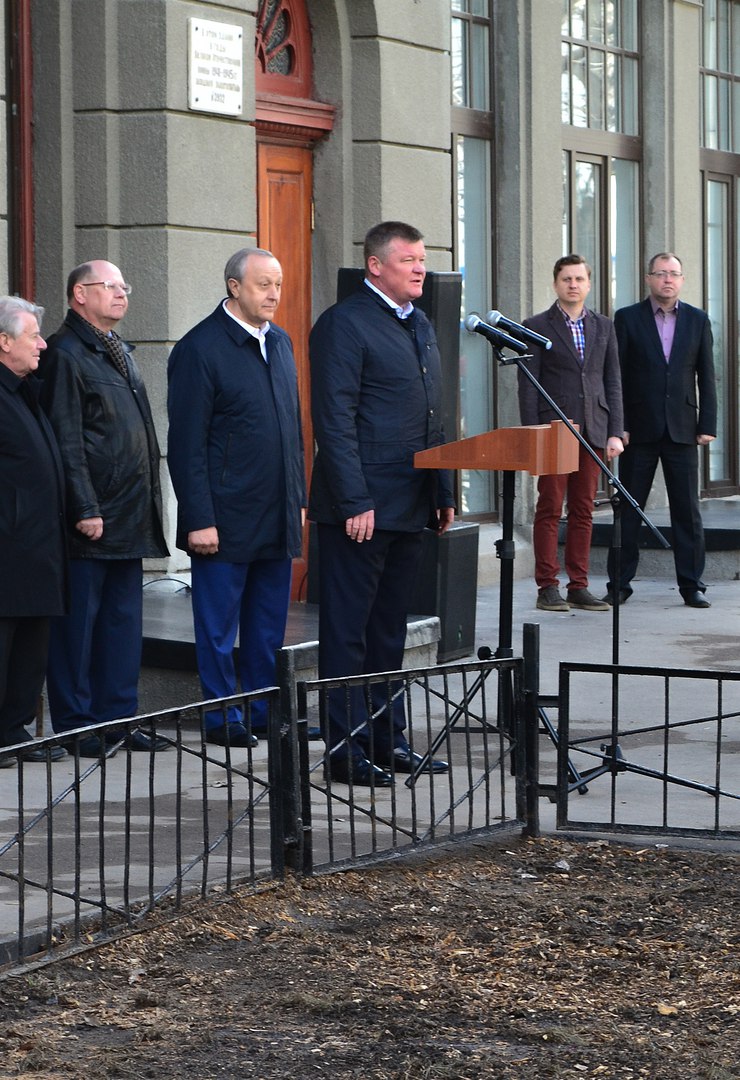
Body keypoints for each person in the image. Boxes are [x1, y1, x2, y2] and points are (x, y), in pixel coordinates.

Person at [309, 221, 455, 787]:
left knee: (389, 630)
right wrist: (353, 498)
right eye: (409, 260)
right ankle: (345, 750)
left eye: (423, 259)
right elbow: (335, 421)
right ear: (375, 265)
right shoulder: (344, 325)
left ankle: (386, 738)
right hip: (361, 508)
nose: (421, 268)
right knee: (350, 630)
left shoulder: (417, 322)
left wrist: (442, 491)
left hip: (412, 502)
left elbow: (435, 416)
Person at [167, 248, 305, 748]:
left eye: (278, 284)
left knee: (268, 625)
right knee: (219, 628)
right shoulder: (200, 349)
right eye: (263, 284)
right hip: (223, 518)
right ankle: (222, 717)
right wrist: (198, 518)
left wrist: (299, 498)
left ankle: (264, 709)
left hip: (276, 513)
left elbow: (291, 429)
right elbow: (185, 444)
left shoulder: (281, 343)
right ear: (234, 287)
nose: (273, 294)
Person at [39, 261, 170, 756]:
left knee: (121, 627)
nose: (121, 294)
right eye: (110, 286)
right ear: (79, 294)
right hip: (91, 520)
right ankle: (76, 723)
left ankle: (119, 719)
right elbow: (66, 440)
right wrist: (84, 506)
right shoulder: (66, 354)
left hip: (129, 514)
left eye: (124, 285)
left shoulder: (119, 352)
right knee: (79, 628)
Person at [605, 253, 717, 608]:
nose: (667, 279)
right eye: (660, 273)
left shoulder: (698, 320)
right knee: (629, 509)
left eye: (674, 274)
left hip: (683, 429)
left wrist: (708, 424)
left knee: (687, 511)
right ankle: (619, 584)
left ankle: (691, 585)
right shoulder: (626, 318)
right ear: (648, 278)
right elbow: (616, 377)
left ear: (682, 280)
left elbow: (706, 375)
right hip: (637, 429)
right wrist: (618, 425)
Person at [518, 254, 624, 612]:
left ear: (589, 284)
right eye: (567, 279)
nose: (573, 284)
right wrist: (533, 433)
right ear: (555, 283)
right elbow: (528, 385)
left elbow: (612, 381)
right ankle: (547, 585)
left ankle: (579, 585)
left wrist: (616, 432)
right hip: (554, 428)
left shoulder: (604, 326)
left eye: (579, 279)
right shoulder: (535, 325)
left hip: (594, 429)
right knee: (549, 507)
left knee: (584, 509)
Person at [0, 297, 68, 766]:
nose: (43, 345)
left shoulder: (25, 390)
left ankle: (14, 728)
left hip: (40, 545)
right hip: (8, 546)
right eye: (32, 337)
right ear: (4, 342)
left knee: (32, 641)